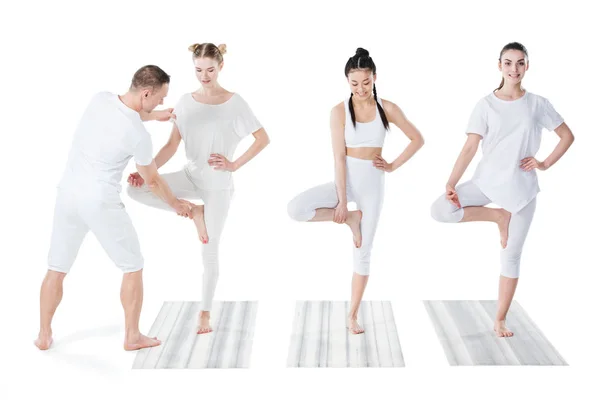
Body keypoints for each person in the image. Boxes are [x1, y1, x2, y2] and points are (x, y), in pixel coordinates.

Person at [36, 65, 195, 351]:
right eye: (159, 98)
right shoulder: (139, 136)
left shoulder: (100, 98)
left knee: (56, 268)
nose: (161, 103)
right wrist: (176, 204)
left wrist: (153, 115)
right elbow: (153, 180)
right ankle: (132, 336)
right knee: (133, 266)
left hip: (67, 195)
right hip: (100, 201)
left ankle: (43, 335)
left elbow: (124, 117)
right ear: (146, 92)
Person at [430, 42, 575, 337]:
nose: (514, 69)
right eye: (508, 63)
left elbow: (567, 136)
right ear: (499, 66)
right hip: (486, 183)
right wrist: (451, 182)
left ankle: (500, 320)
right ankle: (498, 217)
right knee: (441, 209)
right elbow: (470, 146)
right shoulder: (485, 105)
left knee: (510, 256)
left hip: (521, 190)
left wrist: (544, 163)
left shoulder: (537, 104)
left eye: (520, 63)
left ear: (527, 66)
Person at [127, 43, 270, 334]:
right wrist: (147, 171)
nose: (204, 76)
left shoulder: (235, 102)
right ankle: (193, 211)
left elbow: (262, 138)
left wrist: (234, 164)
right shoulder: (185, 102)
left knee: (210, 250)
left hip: (218, 186)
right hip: (191, 176)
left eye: (210, 70)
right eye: (198, 70)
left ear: (220, 68)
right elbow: (171, 145)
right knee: (135, 190)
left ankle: (204, 313)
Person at [287, 48, 424, 334]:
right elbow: (338, 157)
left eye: (365, 82)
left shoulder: (388, 108)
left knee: (363, 251)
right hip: (346, 178)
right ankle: (351, 218)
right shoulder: (338, 111)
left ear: (374, 78)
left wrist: (393, 165)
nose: (360, 88)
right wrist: (341, 202)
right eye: (354, 83)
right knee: (296, 209)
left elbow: (417, 139)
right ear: (347, 81)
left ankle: (352, 315)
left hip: (373, 182)